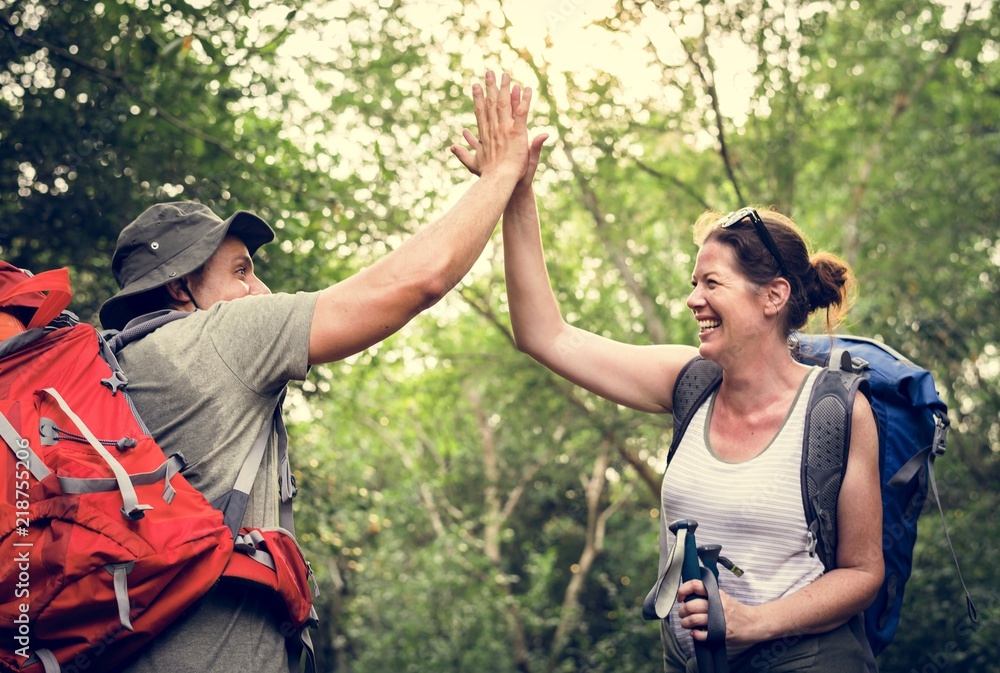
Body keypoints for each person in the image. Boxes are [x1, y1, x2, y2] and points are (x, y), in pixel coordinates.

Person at [98, 71, 534, 673]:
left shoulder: (116, 370)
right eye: (243, 271)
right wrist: (502, 173)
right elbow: (418, 280)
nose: (261, 288)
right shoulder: (214, 336)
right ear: (180, 288)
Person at [454, 134, 883, 671]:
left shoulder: (836, 412)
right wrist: (517, 188)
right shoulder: (690, 382)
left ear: (773, 296)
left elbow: (863, 573)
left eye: (711, 282)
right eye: (693, 282)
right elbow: (544, 335)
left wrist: (753, 620)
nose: (692, 298)